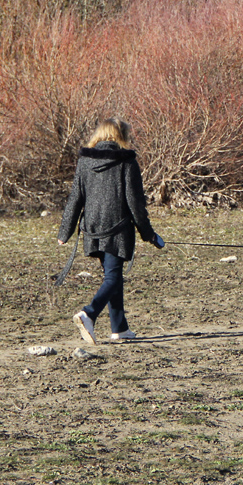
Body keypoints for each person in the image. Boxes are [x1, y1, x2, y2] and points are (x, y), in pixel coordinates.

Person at [58, 118, 164, 344]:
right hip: (118, 228)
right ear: (121, 136)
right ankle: (89, 313)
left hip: (92, 227)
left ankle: (119, 327)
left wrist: (64, 232)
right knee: (113, 275)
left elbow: (75, 197)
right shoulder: (127, 162)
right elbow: (135, 203)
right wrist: (149, 234)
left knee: (112, 275)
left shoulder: (85, 161)